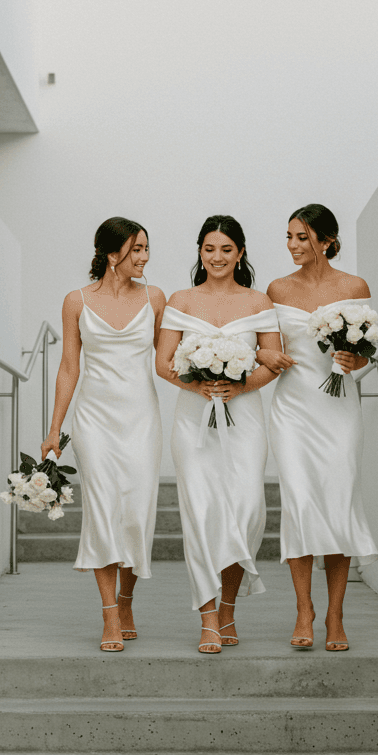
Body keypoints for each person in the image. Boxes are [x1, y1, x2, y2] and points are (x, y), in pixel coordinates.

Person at [155, 215, 281, 654]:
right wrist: (198, 384)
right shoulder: (181, 300)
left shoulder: (258, 300)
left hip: (244, 418)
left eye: (226, 249)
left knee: (246, 511)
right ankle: (210, 619)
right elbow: (163, 361)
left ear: (240, 253)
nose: (217, 257)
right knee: (203, 515)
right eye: (210, 249)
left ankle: (229, 606)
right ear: (200, 252)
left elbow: (274, 359)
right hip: (194, 420)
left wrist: (241, 384)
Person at [258, 203, 378, 652]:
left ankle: (335, 613)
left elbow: (366, 348)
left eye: (302, 238)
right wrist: (265, 357)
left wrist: (355, 359)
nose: (293, 246)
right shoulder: (276, 289)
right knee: (301, 504)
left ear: (327, 240)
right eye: (289, 237)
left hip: (340, 408)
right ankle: (304, 608)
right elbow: (265, 349)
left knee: (338, 501)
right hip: (292, 410)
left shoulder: (354, 286)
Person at [42, 217, 165, 653]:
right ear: (112, 254)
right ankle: (110, 614)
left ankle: (127, 599)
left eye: (147, 248)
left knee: (135, 514)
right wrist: (54, 428)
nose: (145, 257)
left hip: (141, 419)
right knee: (102, 508)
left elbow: (168, 359)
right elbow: (69, 367)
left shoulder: (155, 298)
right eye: (136, 249)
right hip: (93, 419)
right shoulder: (76, 301)